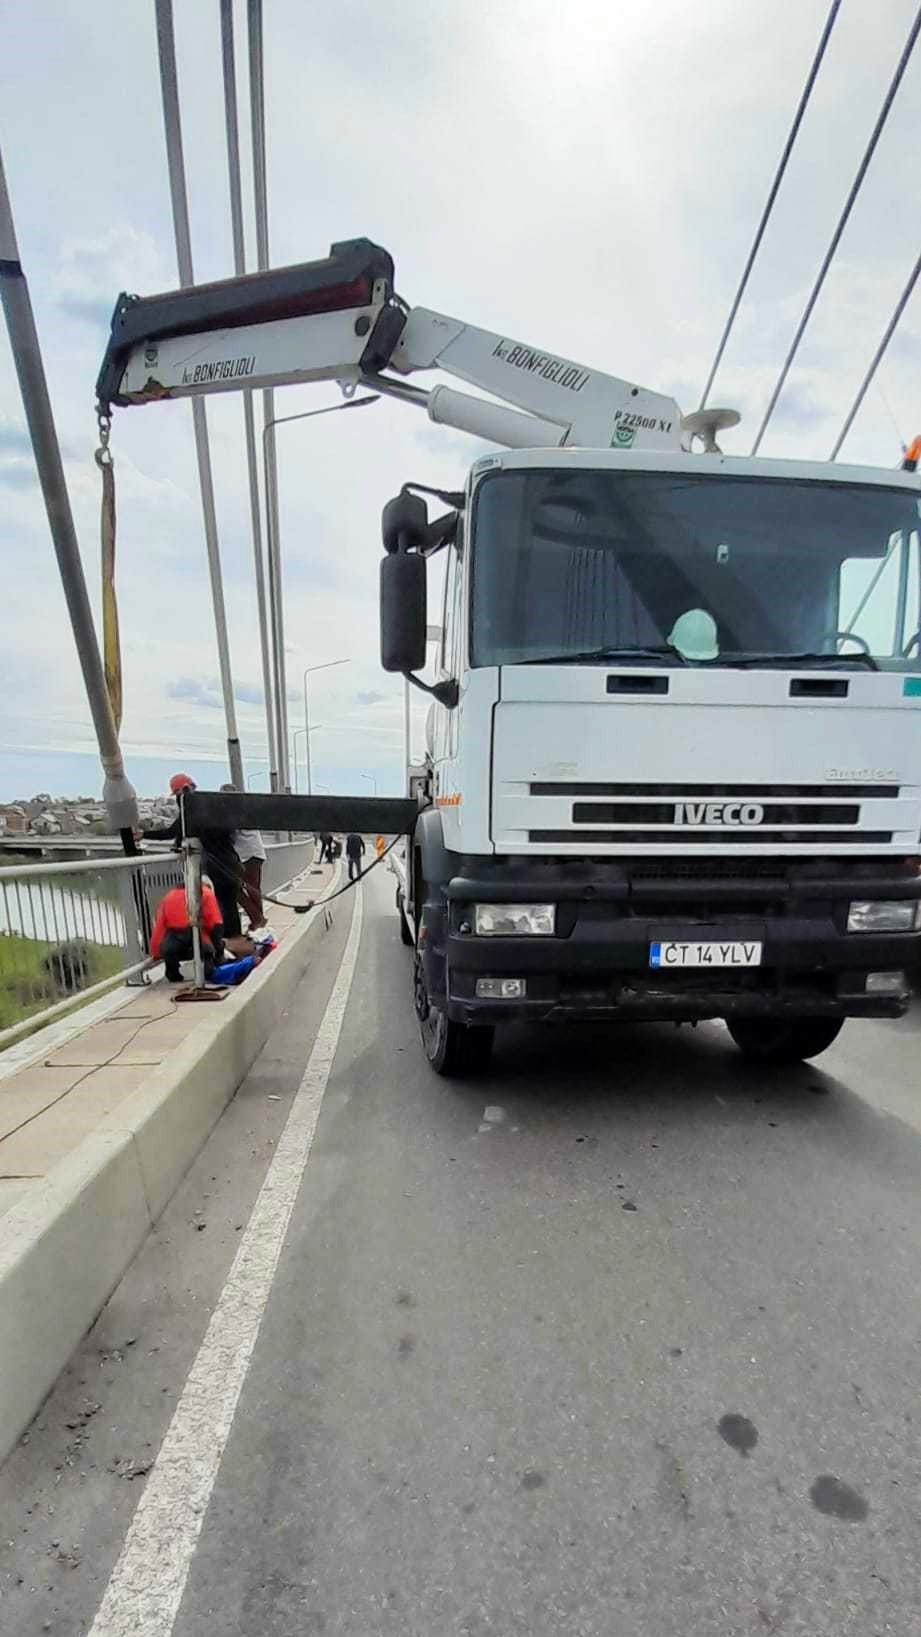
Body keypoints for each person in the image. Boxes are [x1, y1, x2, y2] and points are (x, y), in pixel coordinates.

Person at [139, 773, 243, 939]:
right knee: (229, 905)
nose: (179, 800)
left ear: (183, 791)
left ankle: (225, 943)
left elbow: (174, 831)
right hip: (230, 862)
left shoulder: (193, 809)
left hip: (218, 866)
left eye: (178, 794)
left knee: (221, 906)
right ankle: (236, 941)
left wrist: (143, 835)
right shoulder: (210, 807)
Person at [149, 878, 224, 982]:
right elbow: (215, 924)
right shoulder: (206, 893)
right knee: (207, 947)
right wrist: (218, 949)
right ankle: (209, 969)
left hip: (174, 940)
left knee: (169, 949)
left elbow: (160, 926)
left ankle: (173, 973)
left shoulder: (169, 896)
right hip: (197, 935)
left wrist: (156, 951)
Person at [221, 784, 266, 929]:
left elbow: (230, 833)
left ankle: (258, 919)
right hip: (256, 852)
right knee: (253, 888)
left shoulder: (234, 811)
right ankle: (258, 921)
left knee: (235, 888)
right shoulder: (246, 808)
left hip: (246, 854)